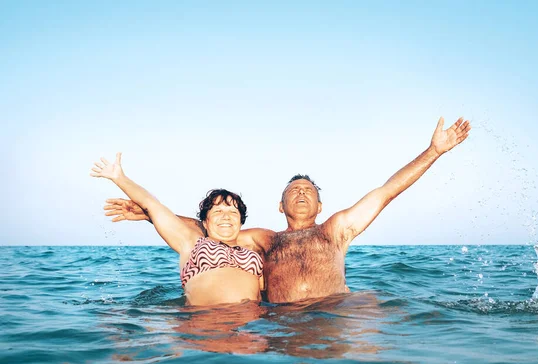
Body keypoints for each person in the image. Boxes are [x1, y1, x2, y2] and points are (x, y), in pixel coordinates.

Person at [103, 117, 470, 303]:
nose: (300, 194)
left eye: (308, 190)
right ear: (280, 205)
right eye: (293, 190)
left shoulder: (336, 229)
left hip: (334, 313)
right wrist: (147, 213)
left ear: (319, 204)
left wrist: (434, 151)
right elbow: (211, 231)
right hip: (278, 323)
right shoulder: (266, 239)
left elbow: (387, 191)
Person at [90, 153, 264, 306]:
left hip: (250, 327)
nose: (226, 216)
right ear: (205, 221)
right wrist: (119, 178)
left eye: (233, 212)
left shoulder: (253, 254)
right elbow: (153, 205)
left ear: (241, 221)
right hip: (208, 324)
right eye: (218, 211)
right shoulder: (191, 241)